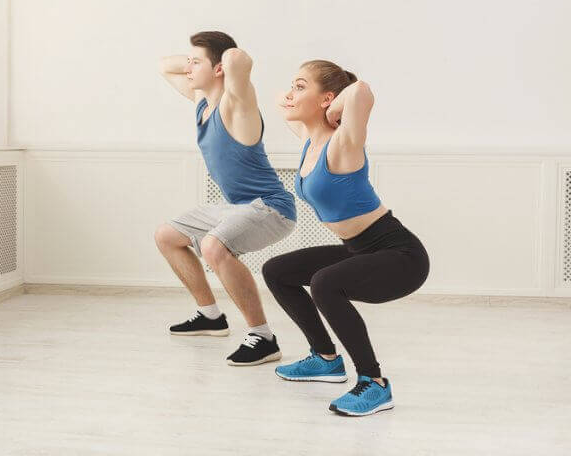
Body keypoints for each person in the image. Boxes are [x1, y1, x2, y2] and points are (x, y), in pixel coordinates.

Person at [262, 60, 430, 415]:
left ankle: (374, 383)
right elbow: (280, 100)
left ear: (327, 98)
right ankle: (325, 359)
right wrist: (303, 95)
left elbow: (361, 91)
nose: (291, 94)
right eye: (293, 85)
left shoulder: (344, 144)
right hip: (359, 251)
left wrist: (333, 108)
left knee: (324, 283)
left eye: (300, 87)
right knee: (277, 271)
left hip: (400, 256)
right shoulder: (309, 140)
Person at [154, 31, 296, 366]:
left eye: (196, 63)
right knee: (166, 236)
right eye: (189, 62)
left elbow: (237, 60)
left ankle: (263, 338)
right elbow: (164, 66)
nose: (188, 68)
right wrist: (198, 60)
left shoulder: (237, 106)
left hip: (271, 207)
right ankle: (210, 316)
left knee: (213, 247)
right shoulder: (202, 103)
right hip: (236, 208)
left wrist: (222, 59)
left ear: (219, 69)